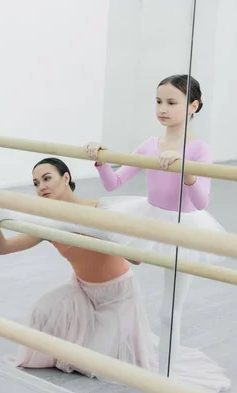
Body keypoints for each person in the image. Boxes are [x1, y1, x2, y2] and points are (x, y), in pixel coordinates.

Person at [0, 157, 230, 393]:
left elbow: (136, 258)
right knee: (42, 310)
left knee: (102, 365)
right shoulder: (45, 224)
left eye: (47, 179)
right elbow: (2, 249)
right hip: (82, 291)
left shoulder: (98, 210)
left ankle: (2, 213)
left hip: (118, 297)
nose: (41, 187)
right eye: (36, 183)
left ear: (66, 178)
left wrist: (102, 231)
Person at [83, 74, 226, 376]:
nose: (162, 108)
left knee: (169, 308)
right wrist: (101, 160)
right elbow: (114, 184)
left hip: (185, 228)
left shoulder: (200, 149)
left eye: (172, 102)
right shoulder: (150, 144)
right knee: (93, 231)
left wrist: (186, 170)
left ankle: (166, 377)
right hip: (149, 217)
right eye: (159, 101)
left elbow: (201, 202)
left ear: (193, 106)